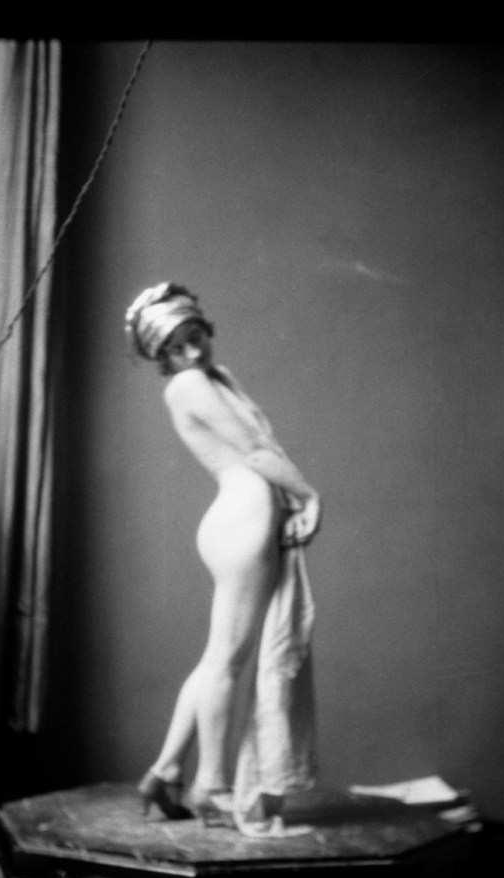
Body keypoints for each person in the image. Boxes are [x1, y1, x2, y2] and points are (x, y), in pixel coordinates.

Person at [125, 283, 321, 837]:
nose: (191, 353)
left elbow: (259, 447)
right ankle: (209, 784)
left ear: (205, 329)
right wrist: (310, 495)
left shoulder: (215, 376)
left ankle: (166, 770)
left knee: (218, 657)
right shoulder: (189, 384)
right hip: (242, 520)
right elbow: (256, 451)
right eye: (176, 348)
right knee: (226, 662)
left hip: (244, 518)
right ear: (161, 357)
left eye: (195, 338)